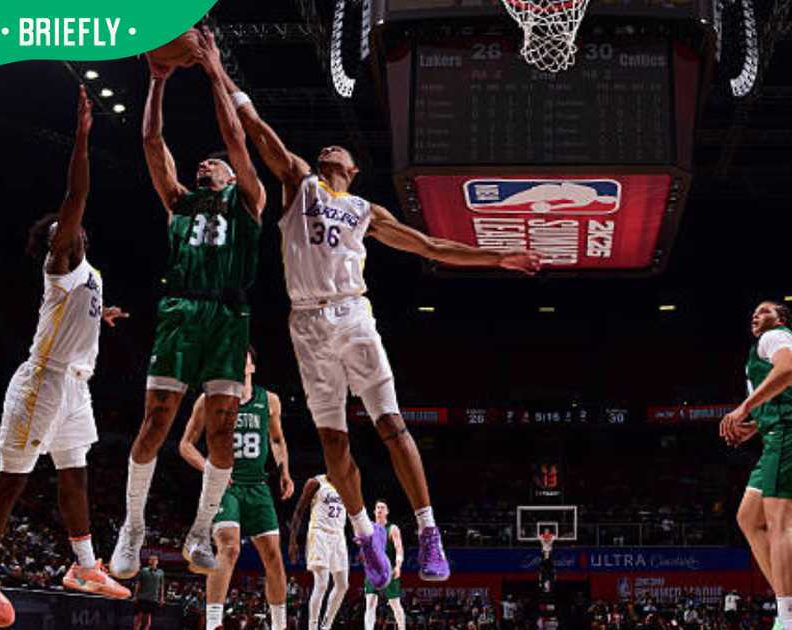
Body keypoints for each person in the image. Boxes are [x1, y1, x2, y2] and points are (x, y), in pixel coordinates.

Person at [208, 38, 542, 588]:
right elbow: (257, 130)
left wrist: (498, 257)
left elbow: (433, 247)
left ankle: (429, 530)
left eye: (342, 149)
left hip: (353, 315)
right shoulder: (298, 183)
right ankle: (365, 537)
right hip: (306, 325)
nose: (331, 149)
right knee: (334, 442)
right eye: (327, 149)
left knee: (390, 423)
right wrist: (220, 70)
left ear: (354, 168)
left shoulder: (368, 211)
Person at [0, 85, 130, 628]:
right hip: (42, 382)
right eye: (62, 225)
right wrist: (81, 139)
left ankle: (82, 567)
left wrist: (97, 320)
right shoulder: (59, 265)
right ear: (56, 241)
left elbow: (75, 315)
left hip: (75, 385)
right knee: (13, 478)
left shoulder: (88, 276)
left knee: (75, 473)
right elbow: (75, 197)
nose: (70, 227)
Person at [111, 27, 267, 579]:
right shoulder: (179, 201)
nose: (207, 165)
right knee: (156, 422)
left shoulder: (248, 199)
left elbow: (235, 138)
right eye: (202, 163)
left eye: (214, 163)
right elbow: (152, 144)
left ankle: (200, 530)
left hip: (228, 315)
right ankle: (132, 528)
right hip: (180, 311)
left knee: (222, 430)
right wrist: (156, 82)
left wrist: (210, 71)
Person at [719, 301, 792, 630]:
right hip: (779, 433)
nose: (756, 314)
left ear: (781, 319)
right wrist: (755, 425)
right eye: (753, 311)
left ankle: (791, 619)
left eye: (764, 310)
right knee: (749, 518)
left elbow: (788, 370)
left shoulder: (775, 337)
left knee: (780, 522)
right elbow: (785, 390)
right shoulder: (763, 347)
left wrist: (743, 409)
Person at [179, 347, 294, 630]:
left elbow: (277, 440)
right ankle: (214, 624)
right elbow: (186, 444)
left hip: (258, 485)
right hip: (224, 486)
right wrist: (210, 469)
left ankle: (279, 625)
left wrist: (284, 472)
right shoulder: (209, 399)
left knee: (273, 556)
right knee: (229, 548)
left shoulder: (269, 400)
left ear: (251, 367)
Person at [289, 474, 350, 630]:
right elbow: (298, 510)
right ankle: (313, 626)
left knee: (343, 585)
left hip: (338, 535)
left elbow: (354, 513)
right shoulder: (315, 483)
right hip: (319, 533)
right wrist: (292, 541)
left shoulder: (346, 483)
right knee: (322, 583)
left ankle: (326, 625)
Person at [364, 501, 407, 630]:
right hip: (373, 571)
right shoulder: (368, 528)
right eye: (377, 507)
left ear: (387, 511)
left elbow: (399, 548)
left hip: (388, 571)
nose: (379, 510)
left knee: (395, 604)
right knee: (370, 603)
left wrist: (398, 565)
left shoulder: (392, 528)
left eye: (382, 508)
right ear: (374, 511)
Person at [134, 555, 166, 630]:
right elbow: (138, 584)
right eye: (151, 560)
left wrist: (161, 598)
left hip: (153, 599)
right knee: (139, 617)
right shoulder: (143, 570)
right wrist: (135, 595)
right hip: (142, 597)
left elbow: (161, 586)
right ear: (149, 561)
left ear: (157, 562)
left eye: (154, 560)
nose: (152, 561)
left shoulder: (160, 572)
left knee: (148, 618)